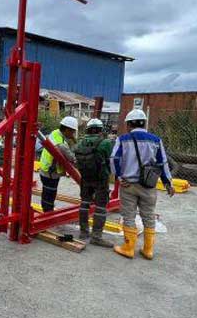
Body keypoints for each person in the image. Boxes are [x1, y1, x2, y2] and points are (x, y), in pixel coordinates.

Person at [110, 109, 174, 260]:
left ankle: (128, 248)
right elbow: (162, 163)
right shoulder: (156, 140)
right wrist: (167, 183)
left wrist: (119, 176)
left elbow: (114, 159)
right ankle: (148, 250)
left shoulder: (123, 139)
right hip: (149, 186)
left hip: (128, 185)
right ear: (144, 123)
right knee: (149, 216)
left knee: (129, 216)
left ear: (129, 124)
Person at [74, 118, 114, 247]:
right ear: (100, 130)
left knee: (84, 203)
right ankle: (96, 236)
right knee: (101, 207)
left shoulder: (80, 143)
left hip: (85, 178)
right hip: (101, 179)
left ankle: (83, 232)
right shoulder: (105, 143)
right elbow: (110, 158)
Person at [38, 116, 78, 213]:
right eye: (72, 131)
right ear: (67, 129)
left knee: (47, 193)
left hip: (45, 170)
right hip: (51, 173)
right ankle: (48, 212)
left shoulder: (55, 133)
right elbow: (72, 158)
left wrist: (72, 139)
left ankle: (47, 209)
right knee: (50, 194)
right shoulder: (61, 145)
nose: (73, 134)